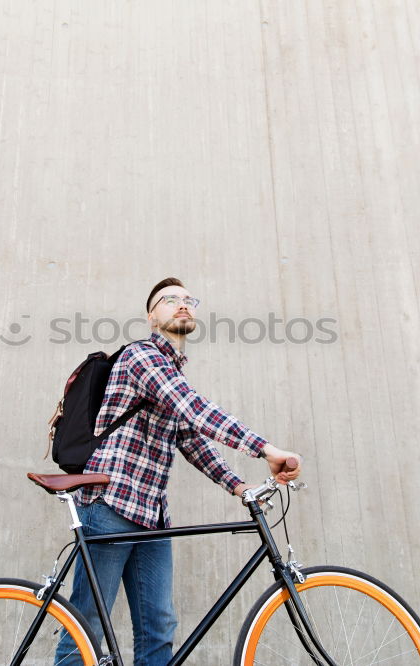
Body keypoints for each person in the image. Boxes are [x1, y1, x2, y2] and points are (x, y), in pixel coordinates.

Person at [54, 277, 303, 666]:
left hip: (152, 516)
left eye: (189, 300)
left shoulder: (172, 371)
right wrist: (265, 449)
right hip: (110, 504)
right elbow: (192, 408)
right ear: (152, 316)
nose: (182, 304)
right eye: (170, 300)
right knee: (85, 630)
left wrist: (239, 487)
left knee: (158, 629)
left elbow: (191, 439)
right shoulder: (142, 357)